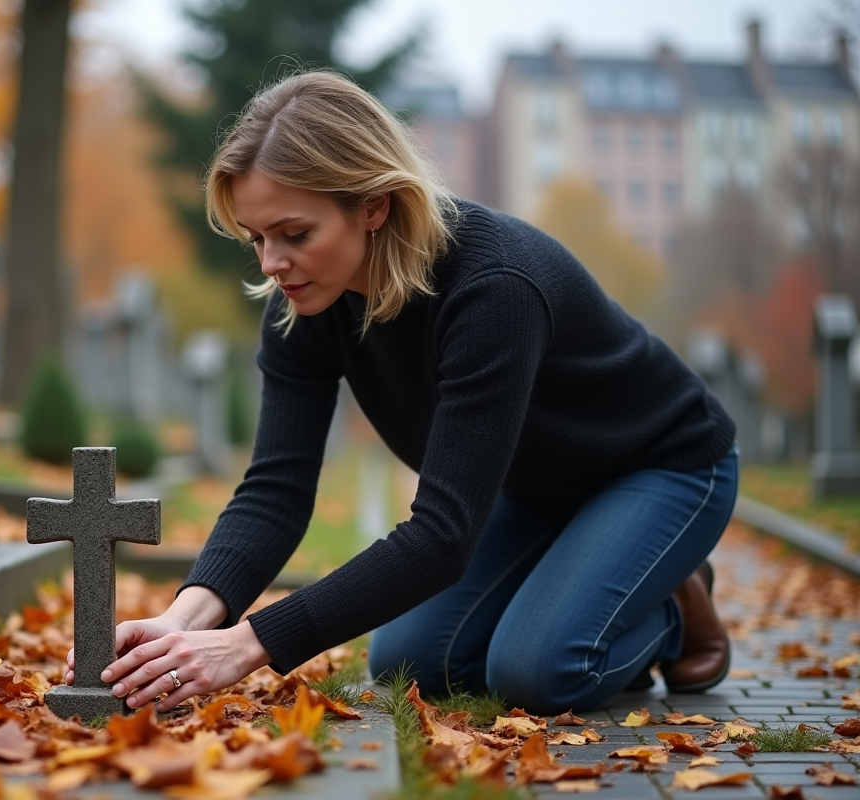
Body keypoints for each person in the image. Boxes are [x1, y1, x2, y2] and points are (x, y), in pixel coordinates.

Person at [67, 69, 738, 715]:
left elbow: (443, 535)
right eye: (258, 238)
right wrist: (182, 622)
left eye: (296, 234)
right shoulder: (303, 300)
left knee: (537, 670)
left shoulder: (493, 287)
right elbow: (276, 490)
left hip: (663, 465)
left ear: (374, 206)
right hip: (540, 487)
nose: (273, 263)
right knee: (413, 661)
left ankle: (674, 608)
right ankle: (592, 576)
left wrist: (246, 646)